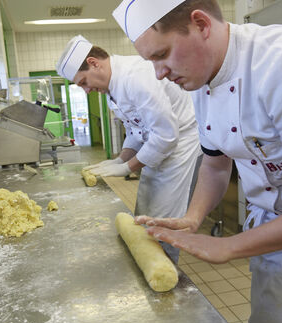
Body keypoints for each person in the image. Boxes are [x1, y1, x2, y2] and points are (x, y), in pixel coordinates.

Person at [112, 0, 282, 323]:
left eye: (162, 55)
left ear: (201, 24)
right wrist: (193, 217)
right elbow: (216, 164)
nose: (159, 73)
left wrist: (231, 246)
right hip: (273, 226)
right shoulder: (202, 79)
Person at [56, 35, 203, 263]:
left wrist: (128, 167)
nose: (86, 90)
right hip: (159, 142)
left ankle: (166, 270)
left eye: (83, 82)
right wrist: (120, 159)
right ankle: (150, 256)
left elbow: (166, 136)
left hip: (181, 142)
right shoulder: (111, 90)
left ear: (94, 63)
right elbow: (136, 129)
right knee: (146, 208)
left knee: (164, 216)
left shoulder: (136, 78)